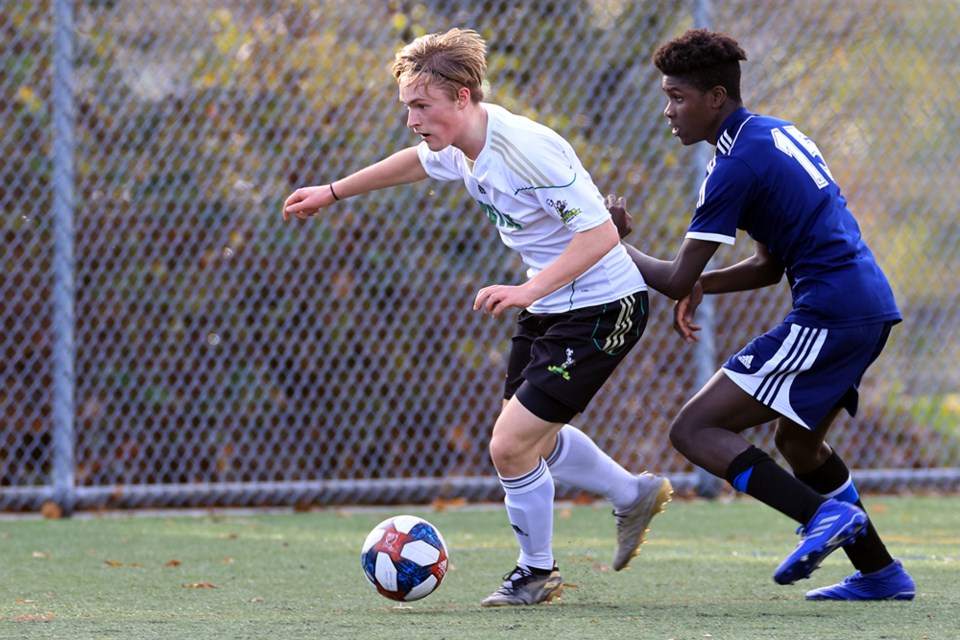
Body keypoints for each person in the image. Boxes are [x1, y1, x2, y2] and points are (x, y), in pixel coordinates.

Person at [282, 28, 672, 607]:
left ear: (462, 97)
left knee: (511, 445)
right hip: (550, 304)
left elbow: (601, 233)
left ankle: (537, 573)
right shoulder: (458, 145)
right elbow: (415, 162)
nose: (413, 119)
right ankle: (631, 493)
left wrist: (526, 288)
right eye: (408, 106)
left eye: (421, 106)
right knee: (529, 439)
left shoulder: (523, 148)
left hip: (603, 306)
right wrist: (333, 192)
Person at [608, 28, 914, 600]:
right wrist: (701, 285)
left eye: (677, 97)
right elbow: (769, 265)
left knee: (694, 429)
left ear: (716, 97)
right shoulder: (772, 135)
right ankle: (881, 573)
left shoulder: (733, 167)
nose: (668, 110)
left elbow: (672, 277)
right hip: (866, 306)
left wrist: (611, 242)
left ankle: (819, 516)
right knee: (799, 446)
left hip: (832, 312)